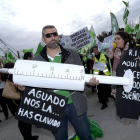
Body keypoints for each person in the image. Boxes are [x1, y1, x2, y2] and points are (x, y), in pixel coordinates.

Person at [15, 25, 99, 140]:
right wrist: (25, 89)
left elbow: (81, 76)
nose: (52, 37)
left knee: (86, 136)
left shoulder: (72, 53)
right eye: (48, 35)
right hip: (52, 107)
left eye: (55, 34)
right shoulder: (36, 61)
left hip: (75, 104)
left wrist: (90, 82)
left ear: (58, 36)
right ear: (43, 39)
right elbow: (35, 85)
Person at [18, 52, 39, 140]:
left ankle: (28, 136)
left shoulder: (24, 66)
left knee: (26, 119)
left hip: (27, 94)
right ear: (29, 57)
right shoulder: (26, 67)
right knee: (24, 119)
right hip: (26, 95)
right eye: (32, 56)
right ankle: (28, 137)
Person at [107, 31, 131, 98]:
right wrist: (111, 58)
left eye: (118, 38)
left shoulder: (133, 49)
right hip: (119, 84)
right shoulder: (115, 51)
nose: (116, 41)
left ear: (125, 39)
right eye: (115, 39)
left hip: (130, 84)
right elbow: (112, 70)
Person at [93, 45, 111, 109]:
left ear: (99, 49)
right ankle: (104, 103)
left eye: (96, 49)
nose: (95, 51)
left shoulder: (104, 55)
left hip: (105, 75)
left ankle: (105, 99)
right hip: (98, 76)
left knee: (106, 89)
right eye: (94, 50)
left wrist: (107, 62)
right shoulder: (93, 58)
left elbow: (109, 62)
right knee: (100, 90)